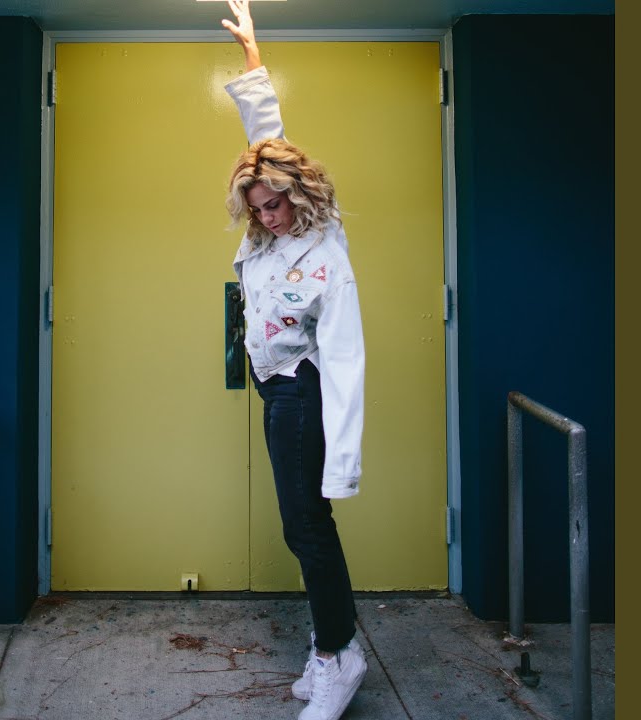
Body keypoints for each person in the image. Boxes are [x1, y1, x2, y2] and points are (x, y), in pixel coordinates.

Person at [220, 3, 368, 719]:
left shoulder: (324, 247)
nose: (265, 215)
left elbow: (344, 357)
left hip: (302, 391)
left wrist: (343, 460)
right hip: (274, 386)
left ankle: (339, 656)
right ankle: (330, 642)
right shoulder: (271, 236)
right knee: (302, 525)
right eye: (255, 207)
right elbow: (265, 133)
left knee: (307, 525)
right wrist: (253, 58)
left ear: (298, 193)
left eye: (274, 203)